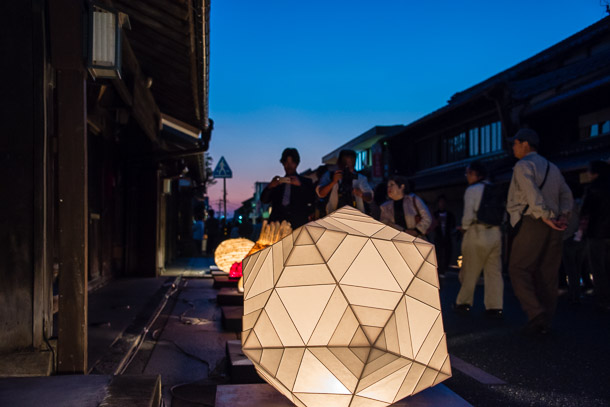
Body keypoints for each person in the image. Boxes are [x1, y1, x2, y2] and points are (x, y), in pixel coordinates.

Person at [506, 128, 573, 335]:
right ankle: (545, 320)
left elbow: (530, 191)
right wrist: (563, 215)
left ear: (525, 144)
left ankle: (536, 313)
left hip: (534, 221)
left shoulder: (523, 165)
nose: (513, 147)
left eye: (515, 143)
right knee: (548, 273)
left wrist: (543, 215)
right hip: (555, 225)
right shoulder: (553, 168)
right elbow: (566, 194)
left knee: (517, 268)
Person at [454, 161, 504, 317]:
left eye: (468, 173)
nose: (467, 176)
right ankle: (495, 306)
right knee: (494, 272)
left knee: (470, 269)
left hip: (477, 232)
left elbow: (468, 214)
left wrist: (464, 227)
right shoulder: (494, 188)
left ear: (476, 174)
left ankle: (463, 303)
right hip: (495, 233)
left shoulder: (472, 189)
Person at [580, 160, 610, 312]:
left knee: (597, 267)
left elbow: (585, 211)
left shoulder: (592, 188)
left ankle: (603, 299)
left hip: (596, 232)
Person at [260, 148, 316, 229]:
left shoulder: (306, 182)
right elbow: (264, 200)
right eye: (286, 162)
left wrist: (300, 185)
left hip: (298, 225)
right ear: (283, 163)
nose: (289, 166)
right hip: (276, 226)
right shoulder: (278, 183)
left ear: (297, 164)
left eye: (292, 162)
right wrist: (270, 186)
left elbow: (312, 199)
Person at [316, 149, 373, 214]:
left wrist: (361, 194)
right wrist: (333, 182)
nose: (347, 169)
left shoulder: (360, 178)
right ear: (339, 163)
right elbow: (321, 193)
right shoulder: (331, 175)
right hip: (332, 214)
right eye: (345, 165)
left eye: (351, 165)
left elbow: (370, 198)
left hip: (355, 215)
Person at [430, 195, 456, 277]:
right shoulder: (435, 214)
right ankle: (439, 270)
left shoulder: (450, 215)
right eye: (440, 202)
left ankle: (445, 269)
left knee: (447, 253)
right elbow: (431, 225)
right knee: (438, 254)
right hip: (438, 237)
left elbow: (453, 226)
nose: (442, 204)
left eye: (443, 202)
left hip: (447, 237)